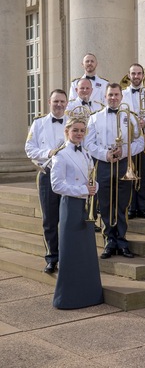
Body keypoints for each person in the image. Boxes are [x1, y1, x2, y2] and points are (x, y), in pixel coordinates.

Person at [85, 83, 145, 259]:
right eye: (110, 95)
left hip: (123, 164)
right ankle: (109, 241)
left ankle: (122, 240)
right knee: (104, 204)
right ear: (105, 97)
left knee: (122, 204)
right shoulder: (95, 118)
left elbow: (140, 143)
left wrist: (124, 152)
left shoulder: (131, 117)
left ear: (121, 96)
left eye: (116, 95)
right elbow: (88, 144)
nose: (113, 98)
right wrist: (105, 154)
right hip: (103, 164)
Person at [51, 114, 103, 309]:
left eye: (82, 130)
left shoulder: (86, 152)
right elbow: (57, 185)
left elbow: (90, 175)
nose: (79, 133)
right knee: (71, 250)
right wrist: (83, 190)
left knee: (86, 251)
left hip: (85, 206)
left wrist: (94, 186)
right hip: (71, 205)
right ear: (67, 132)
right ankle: (68, 298)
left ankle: (89, 294)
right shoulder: (61, 154)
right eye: (75, 130)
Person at [25, 89, 68, 274]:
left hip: (68, 176)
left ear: (66, 103)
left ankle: (68, 257)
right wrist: (48, 153)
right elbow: (29, 148)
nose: (59, 105)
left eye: (62, 101)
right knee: (49, 220)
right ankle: (52, 258)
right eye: (55, 101)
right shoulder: (39, 123)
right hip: (47, 174)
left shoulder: (73, 123)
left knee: (69, 219)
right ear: (49, 102)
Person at [67, 78, 104, 233]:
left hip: (91, 150)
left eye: (87, 88)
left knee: (91, 183)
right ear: (76, 90)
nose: (84, 91)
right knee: (78, 184)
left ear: (91, 90)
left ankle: (92, 216)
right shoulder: (69, 107)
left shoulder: (99, 106)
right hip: (76, 149)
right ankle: (79, 216)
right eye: (81, 88)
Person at [122, 63, 145, 219]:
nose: (136, 76)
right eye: (133, 73)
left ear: (143, 76)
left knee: (143, 174)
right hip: (129, 139)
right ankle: (130, 207)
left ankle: (142, 208)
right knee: (129, 174)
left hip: (144, 137)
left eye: (138, 73)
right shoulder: (122, 94)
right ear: (129, 76)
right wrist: (133, 122)